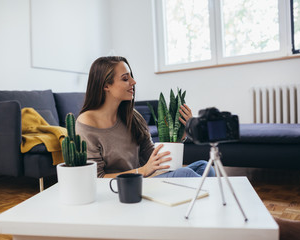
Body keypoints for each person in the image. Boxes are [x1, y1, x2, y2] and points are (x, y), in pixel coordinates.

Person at [76, 56, 215, 178]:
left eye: (131, 76)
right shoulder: (87, 121)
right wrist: (142, 171)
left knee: (205, 167)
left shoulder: (133, 116)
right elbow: (97, 177)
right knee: (187, 175)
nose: (133, 82)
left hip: (146, 177)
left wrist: (181, 135)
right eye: (125, 78)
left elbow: (152, 156)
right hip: (126, 186)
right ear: (106, 85)